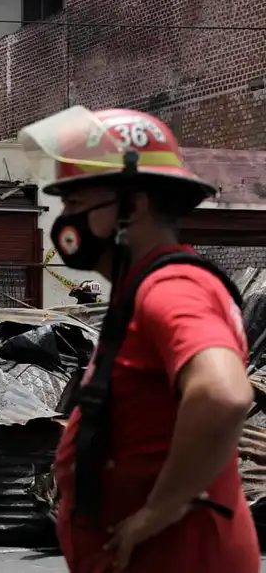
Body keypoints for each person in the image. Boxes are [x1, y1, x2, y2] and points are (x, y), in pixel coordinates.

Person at [18, 106, 258, 572]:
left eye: (76, 203)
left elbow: (223, 394)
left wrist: (158, 511)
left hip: (179, 555)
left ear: (133, 206)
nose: (65, 220)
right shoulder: (144, 290)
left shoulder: (170, 289)